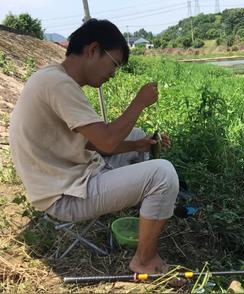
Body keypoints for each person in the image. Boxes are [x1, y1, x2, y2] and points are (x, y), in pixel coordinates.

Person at [8, 19, 179, 275]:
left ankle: (149, 207)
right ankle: (144, 260)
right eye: (113, 64)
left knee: (138, 135)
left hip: (68, 176)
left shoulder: (53, 77)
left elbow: (93, 143)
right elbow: (106, 141)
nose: (113, 74)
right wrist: (139, 103)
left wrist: (139, 145)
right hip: (63, 196)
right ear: (92, 50)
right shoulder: (59, 84)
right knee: (163, 175)